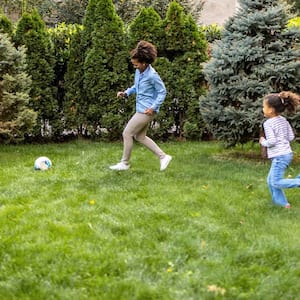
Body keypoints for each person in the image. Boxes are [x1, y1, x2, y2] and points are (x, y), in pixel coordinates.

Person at [109, 40, 172, 171]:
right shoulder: (140, 72)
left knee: (127, 133)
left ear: (144, 63)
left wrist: (153, 107)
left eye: (136, 65)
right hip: (142, 108)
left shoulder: (152, 75)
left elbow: (162, 91)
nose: (135, 67)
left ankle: (124, 163)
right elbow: (136, 87)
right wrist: (126, 93)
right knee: (140, 137)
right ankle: (163, 157)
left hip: (146, 111)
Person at [259, 91, 300, 208]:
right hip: (287, 153)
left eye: (264, 107)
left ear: (271, 110)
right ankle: (281, 203)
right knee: (270, 180)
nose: (263, 109)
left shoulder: (268, 123)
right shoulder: (283, 120)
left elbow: (272, 142)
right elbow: (291, 137)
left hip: (279, 156)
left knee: (276, 182)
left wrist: (263, 142)